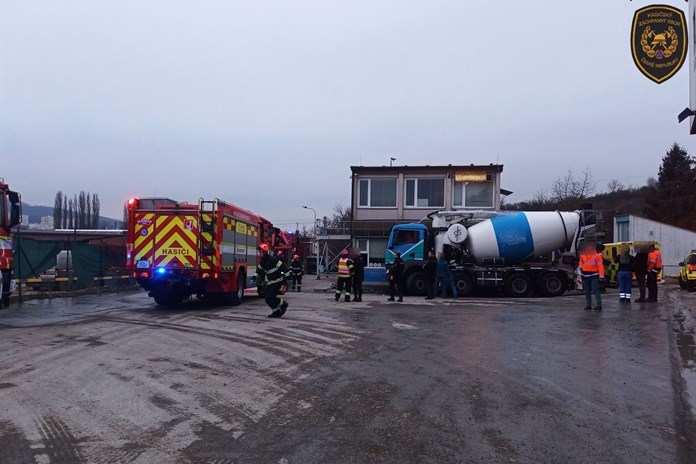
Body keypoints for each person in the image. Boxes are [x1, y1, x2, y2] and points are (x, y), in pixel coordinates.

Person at [250, 243, 291, 318]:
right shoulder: (262, 262)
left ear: (265, 252)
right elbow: (258, 271)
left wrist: (288, 279)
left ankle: (283, 304)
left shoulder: (273, 259)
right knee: (267, 298)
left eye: (260, 252)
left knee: (270, 297)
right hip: (271, 282)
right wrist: (253, 279)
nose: (259, 253)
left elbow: (284, 268)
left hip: (278, 281)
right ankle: (276, 312)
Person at [579, 241, 605, 311]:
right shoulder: (583, 255)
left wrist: (601, 276)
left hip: (594, 275)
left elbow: (600, 266)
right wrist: (581, 267)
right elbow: (581, 261)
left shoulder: (597, 255)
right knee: (587, 291)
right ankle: (588, 305)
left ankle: (599, 305)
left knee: (595, 290)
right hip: (585, 275)